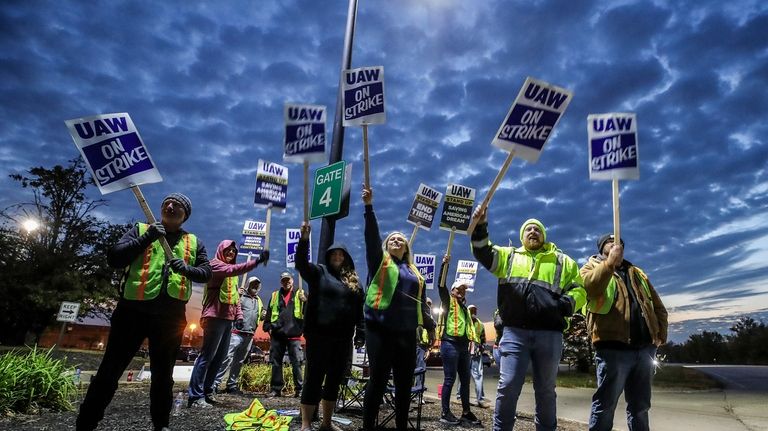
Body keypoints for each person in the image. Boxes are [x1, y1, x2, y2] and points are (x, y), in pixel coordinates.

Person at [76, 193, 211, 431]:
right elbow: (115, 257)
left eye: (177, 205)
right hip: (132, 312)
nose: (170, 206)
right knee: (109, 371)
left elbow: (206, 273)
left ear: (185, 215)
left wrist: (187, 269)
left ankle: (161, 425)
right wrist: (148, 237)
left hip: (170, 318)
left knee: (163, 377)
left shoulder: (193, 242)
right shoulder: (140, 229)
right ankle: (86, 423)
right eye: (166, 203)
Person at [470, 207, 586, 431]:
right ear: (522, 236)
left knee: (545, 389)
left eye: (537, 229)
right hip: (515, 333)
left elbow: (579, 290)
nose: (533, 231)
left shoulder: (563, 261)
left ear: (544, 235)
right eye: (528, 229)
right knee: (509, 386)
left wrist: (564, 305)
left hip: (550, 334)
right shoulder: (508, 256)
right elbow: (482, 251)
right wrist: (481, 225)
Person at [361, 185, 436, 431]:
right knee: (378, 381)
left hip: (406, 333)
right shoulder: (379, 262)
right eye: (392, 238)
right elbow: (372, 238)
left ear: (406, 247)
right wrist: (369, 207)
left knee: (404, 384)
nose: (396, 240)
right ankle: (368, 426)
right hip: (379, 330)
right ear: (387, 245)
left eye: (400, 239)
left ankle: (402, 426)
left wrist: (430, 327)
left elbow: (421, 304)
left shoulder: (416, 272)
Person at [580, 234, 668, 431]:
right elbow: (590, 288)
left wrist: (660, 334)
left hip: (645, 349)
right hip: (612, 347)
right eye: (611, 242)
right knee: (605, 404)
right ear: (602, 247)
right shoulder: (590, 267)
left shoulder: (636, 272)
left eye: (619, 242)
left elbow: (657, 305)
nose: (615, 244)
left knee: (640, 406)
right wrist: (609, 264)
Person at [295, 221, 365, 431]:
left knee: (334, 380)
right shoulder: (319, 272)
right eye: (333, 254)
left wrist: (360, 332)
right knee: (314, 379)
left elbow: (359, 310)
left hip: (342, 339)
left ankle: (326, 422)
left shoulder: (354, 282)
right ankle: (306, 423)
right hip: (319, 336)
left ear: (346, 258)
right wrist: (304, 238)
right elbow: (301, 264)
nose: (337, 257)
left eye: (340, 255)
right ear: (328, 256)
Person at [188, 241, 269, 407]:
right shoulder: (215, 265)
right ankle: (195, 396)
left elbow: (235, 299)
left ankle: (208, 391)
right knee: (207, 357)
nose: (231, 252)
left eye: (234, 250)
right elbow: (233, 269)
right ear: (220, 250)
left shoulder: (233, 277)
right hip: (214, 317)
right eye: (228, 249)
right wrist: (256, 262)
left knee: (219, 358)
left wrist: (238, 316)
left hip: (228, 320)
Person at [436, 254, 482, 427]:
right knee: (449, 379)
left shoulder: (464, 307)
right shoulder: (448, 301)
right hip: (450, 344)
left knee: (465, 380)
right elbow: (441, 286)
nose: (461, 292)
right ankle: (445, 412)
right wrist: (444, 266)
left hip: (463, 347)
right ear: (452, 291)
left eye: (463, 290)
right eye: (458, 289)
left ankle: (466, 412)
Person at [213, 275, 266, 395]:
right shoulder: (240, 296)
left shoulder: (258, 300)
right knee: (226, 358)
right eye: (253, 284)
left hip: (249, 335)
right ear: (248, 285)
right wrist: (236, 294)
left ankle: (231, 385)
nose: (255, 286)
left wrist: (263, 314)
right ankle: (214, 384)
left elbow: (259, 315)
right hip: (236, 333)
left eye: (257, 285)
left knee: (239, 361)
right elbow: (229, 307)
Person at [263, 270, 306, 397]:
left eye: (288, 280)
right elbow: (270, 312)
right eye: (284, 280)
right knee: (276, 362)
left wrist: (306, 300)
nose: (286, 282)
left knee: (297, 363)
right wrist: (267, 327)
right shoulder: (275, 295)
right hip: (277, 335)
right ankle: (276, 389)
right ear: (281, 282)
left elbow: (309, 311)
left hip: (294, 335)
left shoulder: (300, 293)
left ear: (292, 280)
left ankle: (300, 390)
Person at [468, 304, 490, 409]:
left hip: (471, 351)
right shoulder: (479, 323)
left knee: (468, 376)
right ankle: (479, 398)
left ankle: (478, 398)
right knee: (477, 376)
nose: (473, 312)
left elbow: (483, 339)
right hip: (473, 351)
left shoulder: (467, 322)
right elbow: (483, 340)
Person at [415, 297, 435, 390]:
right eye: (427, 303)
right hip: (413, 343)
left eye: (430, 304)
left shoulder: (431, 320)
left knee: (420, 371)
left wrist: (429, 349)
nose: (428, 306)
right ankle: (407, 393)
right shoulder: (417, 313)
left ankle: (419, 391)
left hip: (423, 347)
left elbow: (433, 337)